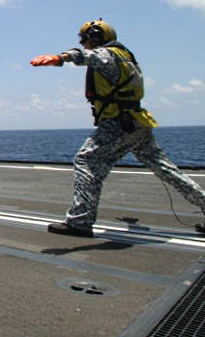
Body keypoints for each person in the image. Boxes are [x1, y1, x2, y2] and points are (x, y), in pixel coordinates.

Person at [30, 19, 205, 237]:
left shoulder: (107, 54)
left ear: (95, 36)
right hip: (137, 122)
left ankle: (80, 221)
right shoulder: (125, 56)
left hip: (118, 124)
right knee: (166, 169)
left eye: (85, 38)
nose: (84, 43)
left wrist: (60, 58)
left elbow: (89, 56)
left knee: (87, 161)